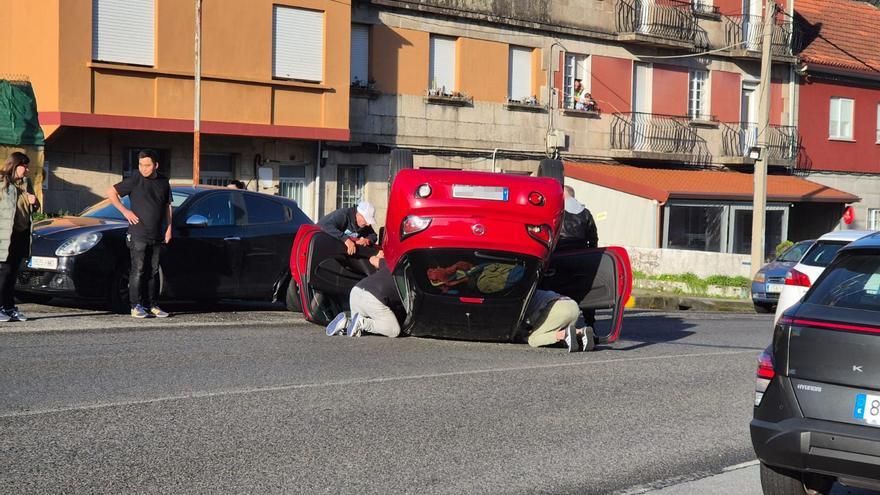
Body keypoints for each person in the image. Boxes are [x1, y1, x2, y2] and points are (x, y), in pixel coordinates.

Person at [106, 149, 172, 319]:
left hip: (157, 234)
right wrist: (125, 211)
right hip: (138, 233)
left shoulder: (164, 181)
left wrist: (169, 227)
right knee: (139, 269)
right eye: (141, 165)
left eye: (147, 165)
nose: (144, 168)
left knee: (154, 271)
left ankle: (153, 305)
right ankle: (136, 305)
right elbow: (111, 192)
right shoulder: (136, 179)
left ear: (156, 165)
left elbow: (167, 206)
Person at [325, 250, 403, 338]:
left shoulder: (390, 264)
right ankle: (362, 322)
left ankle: (346, 322)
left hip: (355, 292)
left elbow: (372, 260)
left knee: (356, 326)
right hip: (373, 298)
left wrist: (380, 256)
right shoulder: (411, 276)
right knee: (393, 330)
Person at [0, 152, 39, 322]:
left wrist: (35, 201)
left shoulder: (26, 183)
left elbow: (34, 208)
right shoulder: (2, 182)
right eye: (25, 166)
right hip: (4, 234)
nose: (27, 170)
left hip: (20, 234)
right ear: (15, 165)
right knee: (4, 272)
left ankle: (9, 307)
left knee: (13, 272)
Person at [524, 289, 594, 352]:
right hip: (572, 305)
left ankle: (564, 334)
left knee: (533, 339)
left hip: (556, 308)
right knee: (556, 331)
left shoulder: (518, 299)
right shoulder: (530, 289)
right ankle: (581, 333)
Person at [558, 185, 598, 250]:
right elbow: (593, 238)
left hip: (558, 250)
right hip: (579, 252)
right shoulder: (586, 212)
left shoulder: (557, 209)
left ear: (564, 194)